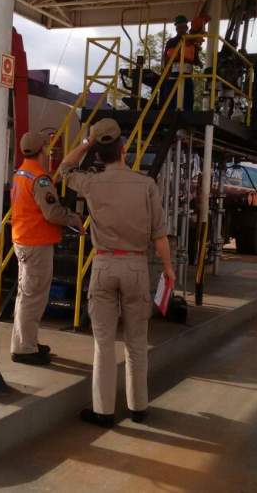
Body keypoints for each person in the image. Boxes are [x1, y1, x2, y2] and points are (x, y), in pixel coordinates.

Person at [60, 118, 176, 427]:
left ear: (98, 152)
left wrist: (87, 141)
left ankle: (103, 411)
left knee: (104, 343)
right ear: (124, 150)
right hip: (136, 265)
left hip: (104, 264)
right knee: (137, 342)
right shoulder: (146, 185)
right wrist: (167, 268)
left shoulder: (91, 183)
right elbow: (159, 235)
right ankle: (139, 408)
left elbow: (64, 169)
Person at [10, 130, 83, 365]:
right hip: (36, 244)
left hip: (23, 239)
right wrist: (74, 218)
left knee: (26, 295)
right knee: (33, 297)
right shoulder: (40, 178)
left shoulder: (22, 173)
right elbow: (52, 212)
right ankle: (25, 349)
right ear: (43, 149)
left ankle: (25, 342)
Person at [161, 14, 202, 111]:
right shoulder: (172, 42)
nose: (180, 29)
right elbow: (166, 58)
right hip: (174, 75)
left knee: (187, 99)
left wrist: (199, 62)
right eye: (178, 27)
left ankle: (186, 117)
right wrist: (165, 73)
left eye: (183, 27)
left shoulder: (192, 41)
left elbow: (195, 58)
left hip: (187, 75)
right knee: (171, 99)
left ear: (186, 27)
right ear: (176, 28)